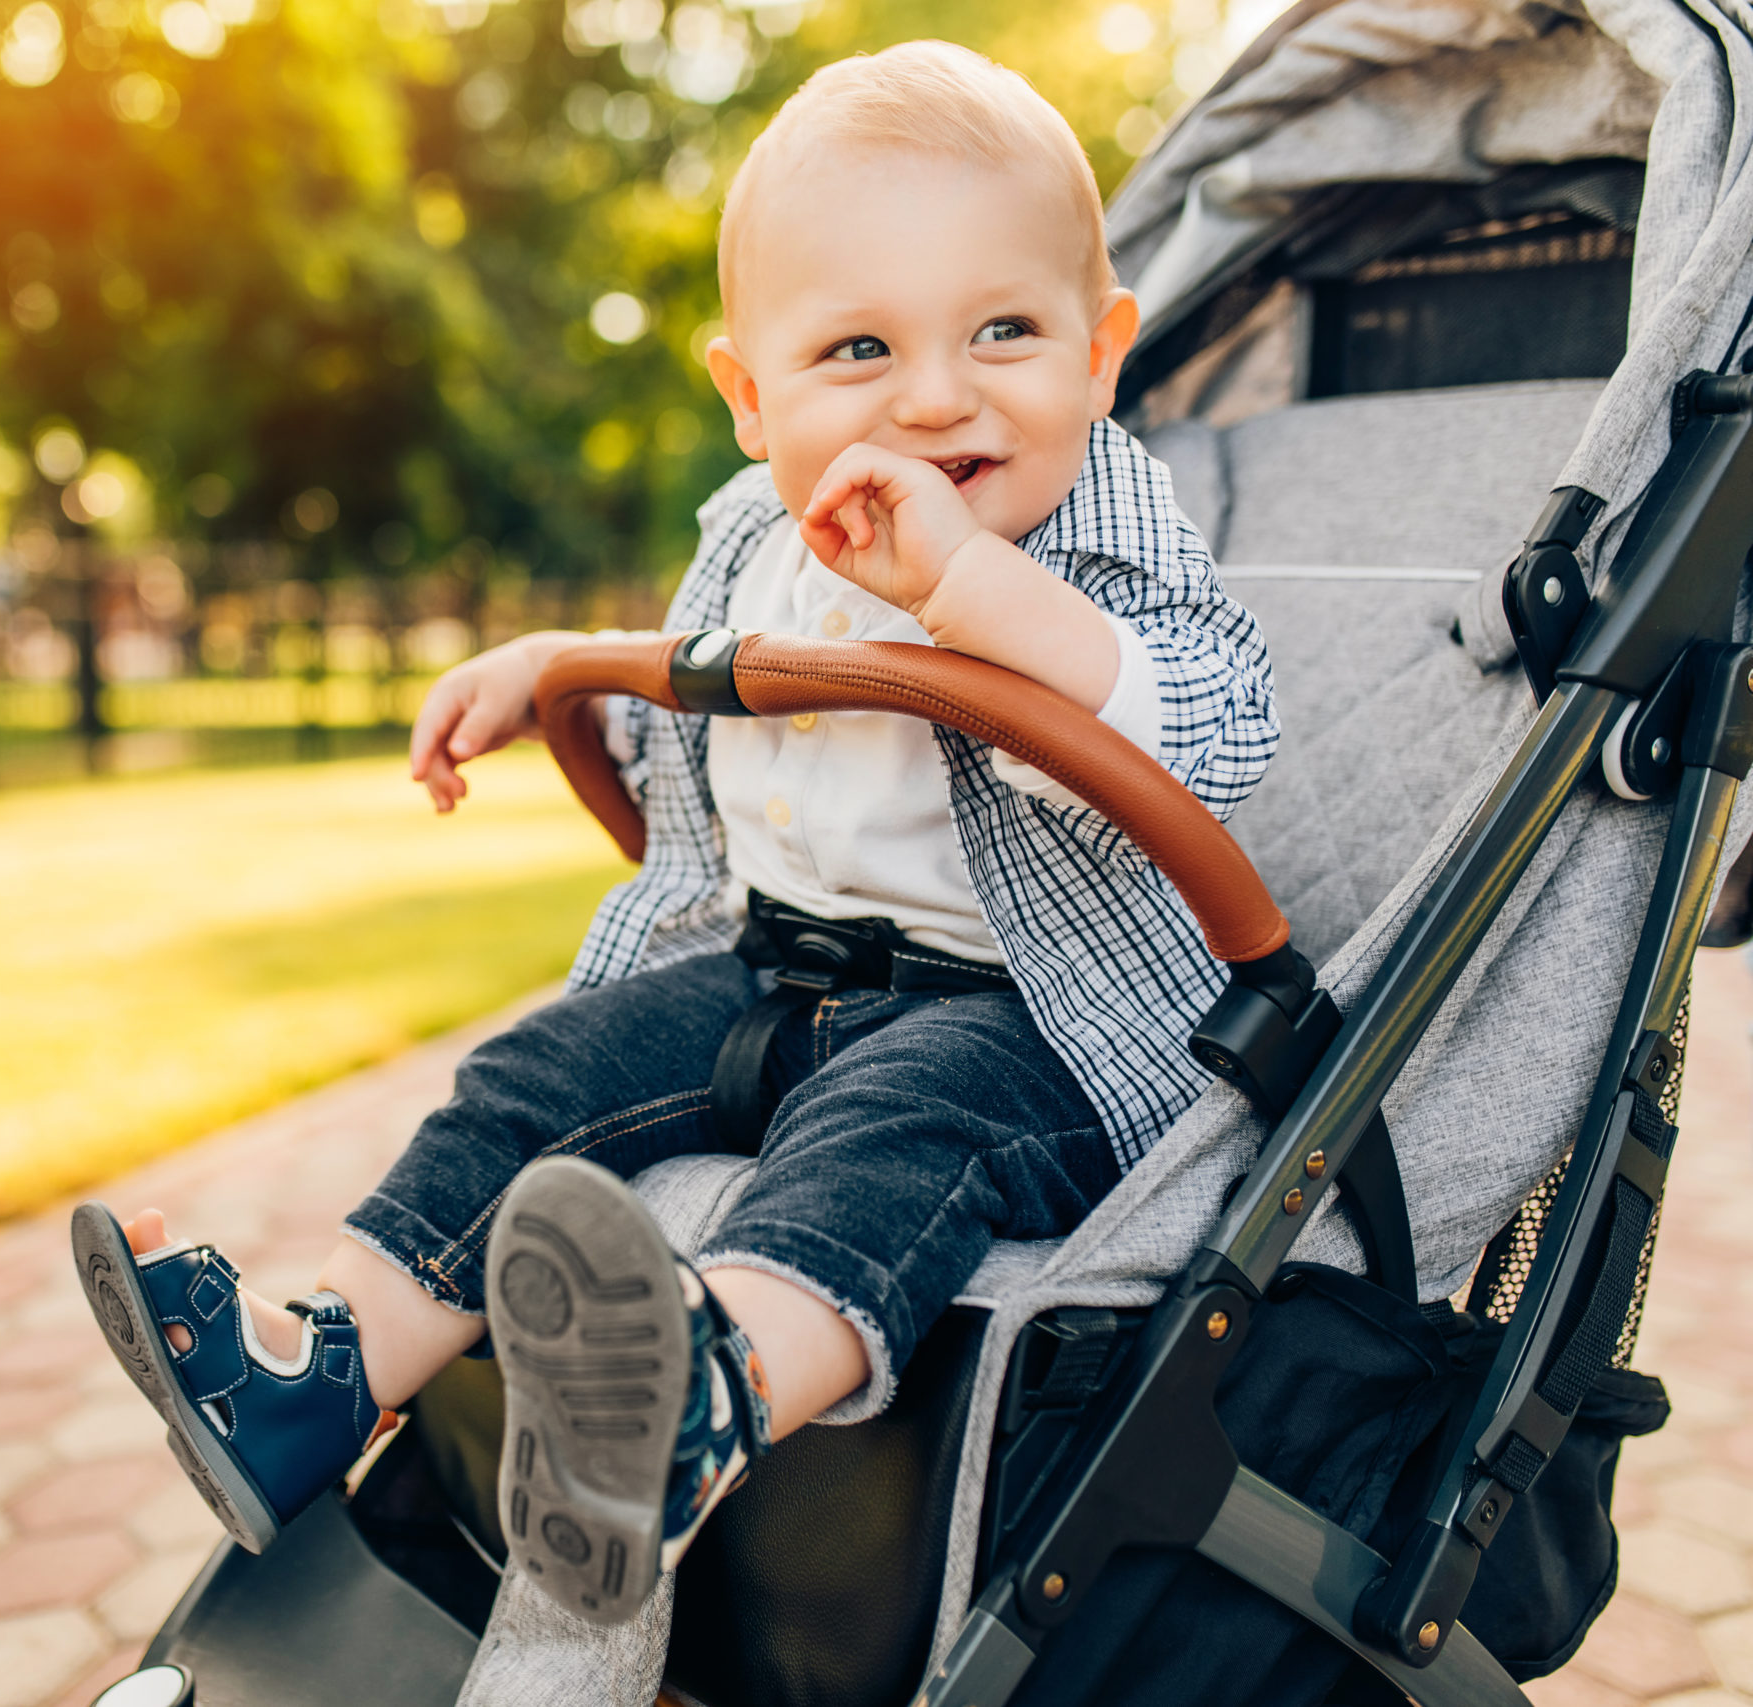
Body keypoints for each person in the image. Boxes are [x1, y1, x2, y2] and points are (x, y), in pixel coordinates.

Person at [71, 38, 1279, 1627]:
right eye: (859, 348)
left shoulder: (1105, 530)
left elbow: (1218, 736)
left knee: (894, 1143)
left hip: (1016, 1023)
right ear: (748, 395)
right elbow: (701, 729)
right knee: (532, 1080)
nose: (936, 396)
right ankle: (315, 1380)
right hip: (769, 975)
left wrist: (975, 597)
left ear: (1104, 351)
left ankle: (694, 1404)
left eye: (1006, 330)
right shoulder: (751, 540)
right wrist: (549, 674)